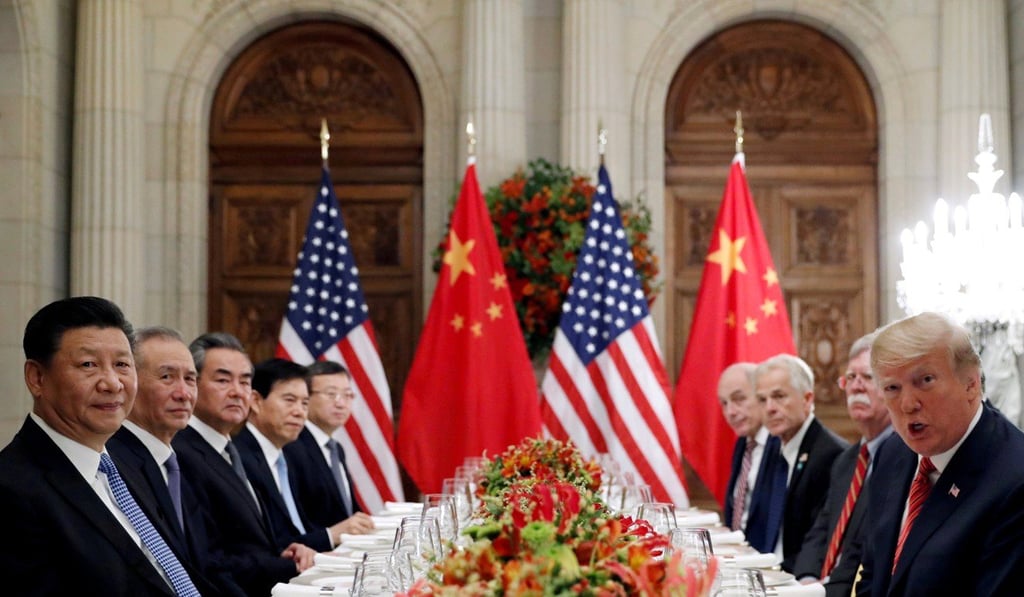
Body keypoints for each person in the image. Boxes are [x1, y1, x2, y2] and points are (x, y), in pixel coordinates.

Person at [0, 297, 211, 595]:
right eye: (89, 365)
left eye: (123, 364)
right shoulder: (13, 490)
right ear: (37, 378)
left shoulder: (126, 465)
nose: (112, 383)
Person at [857, 312, 1024, 595]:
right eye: (892, 388)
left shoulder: (1014, 480)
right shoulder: (893, 453)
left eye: (925, 380)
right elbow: (874, 576)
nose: (908, 404)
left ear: (971, 384)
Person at [172, 332, 315, 596]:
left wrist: (289, 553)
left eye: (245, 382)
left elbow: (248, 540)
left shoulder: (230, 448)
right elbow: (209, 561)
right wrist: (286, 566)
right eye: (223, 380)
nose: (238, 392)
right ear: (193, 383)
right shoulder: (180, 454)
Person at [107, 326, 245, 597]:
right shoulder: (113, 462)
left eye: (190, 379)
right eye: (167, 377)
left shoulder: (174, 461)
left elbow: (204, 564)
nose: (184, 393)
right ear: (130, 382)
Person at [792, 333, 893, 596]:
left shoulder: (904, 460)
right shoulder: (846, 460)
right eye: (850, 378)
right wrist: (806, 579)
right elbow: (821, 531)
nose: (856, 386)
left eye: (868, 377)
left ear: (892, 387)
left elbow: (865, 550)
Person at [235, 358, 354, 550]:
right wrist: (329, 536)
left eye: (304, 403)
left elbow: (298, 530)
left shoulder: (282, 457)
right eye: (289, 400)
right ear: (256, 401)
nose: (299, 412)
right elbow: (266, 545)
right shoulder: (239, 458)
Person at [755, 353, 847, 572]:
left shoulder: (832, 454)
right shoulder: (774, 446)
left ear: (807, 399)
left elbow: (819, 543)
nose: (770, 408)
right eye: (762, 399)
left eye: (779, 396)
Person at [285, 360, 375, 532]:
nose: (341, 403)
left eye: (347, 395)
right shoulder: (292, 446)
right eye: (331, 394)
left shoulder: (336, 449)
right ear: (307, 397)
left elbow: (347, 512)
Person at [719, 361, 783, 553]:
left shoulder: (781, 443)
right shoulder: (743, 443)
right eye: (724, 403)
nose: (730, 412)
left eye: (738, 399)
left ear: (761, 397)